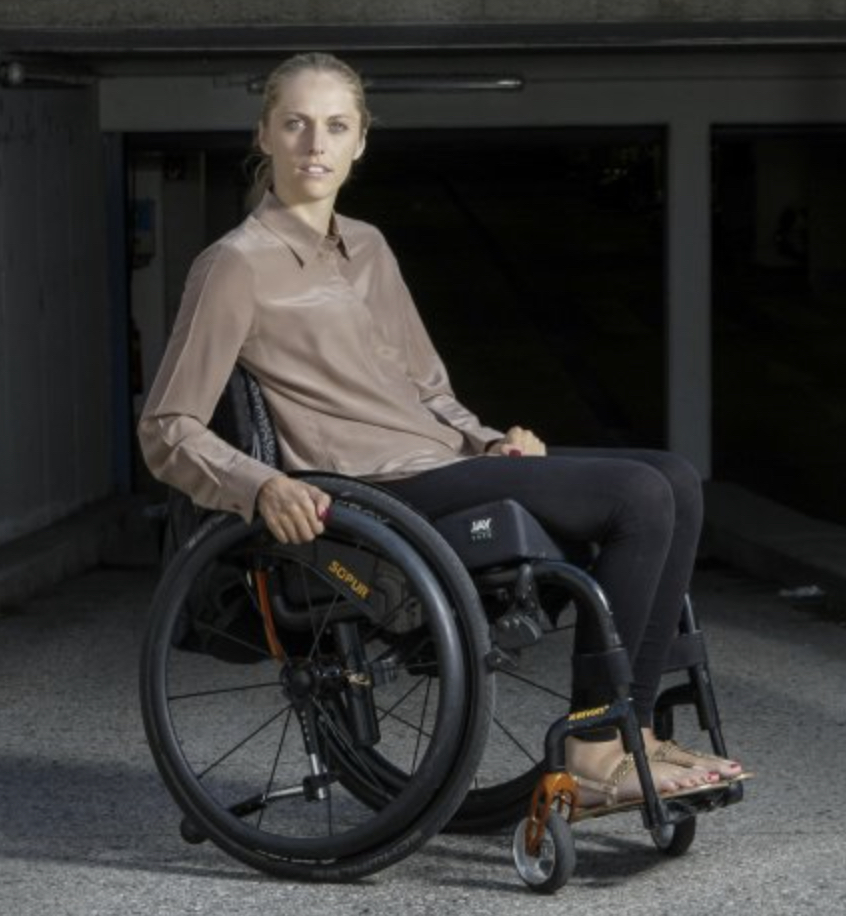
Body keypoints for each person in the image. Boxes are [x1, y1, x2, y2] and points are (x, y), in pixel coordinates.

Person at [138, 52, 746, 811]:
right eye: (295, 124)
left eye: (336, 126)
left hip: (439, 465)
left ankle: (635, 730)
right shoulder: (234, 265)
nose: (315, 145)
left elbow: (427, 390)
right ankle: (594, 746)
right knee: (636, 496)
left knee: (677, 479)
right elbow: (166, 426)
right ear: (264, 134)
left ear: (361, 141)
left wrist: (490, 443)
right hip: (370, 491)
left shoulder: (369, 247)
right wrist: (259, 486)